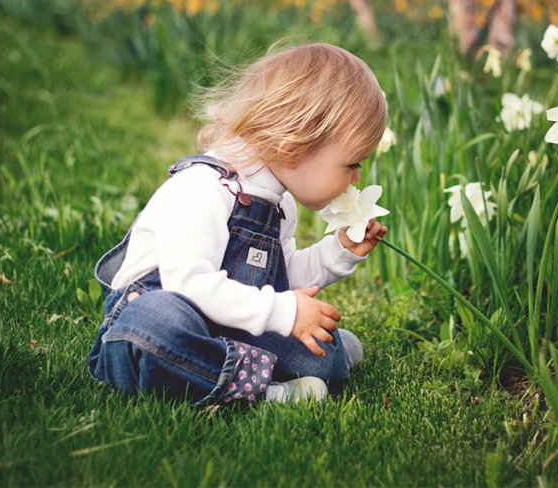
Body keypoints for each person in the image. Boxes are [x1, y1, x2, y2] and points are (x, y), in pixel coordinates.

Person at [88, 42, 388, 406]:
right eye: (353, 164)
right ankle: (263, 392)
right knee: (157, 325)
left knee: (324, 357)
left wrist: (337, 252)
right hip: (155, 323)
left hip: (226, 322)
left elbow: (280, 278)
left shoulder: (280, 204)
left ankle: (310, 358)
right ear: (293, 146)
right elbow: (189, 284)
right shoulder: (203, 187)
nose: (356, 179)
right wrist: (284, 312)